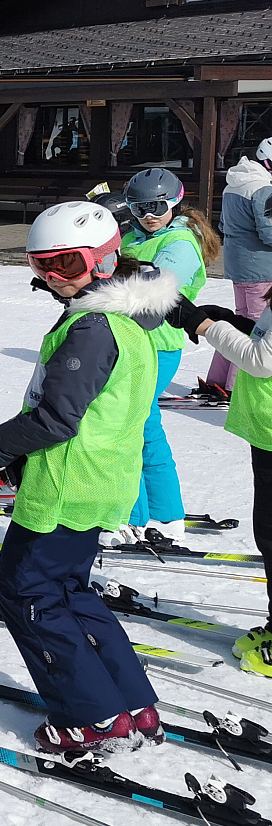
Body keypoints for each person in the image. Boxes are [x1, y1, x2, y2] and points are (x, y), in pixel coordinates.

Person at [0, 201, 172, 751]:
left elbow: (56, 418)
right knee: (68, 589)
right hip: (99, 477)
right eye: (40, 264)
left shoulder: (93, 327)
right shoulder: (126, 320)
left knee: (26, 592)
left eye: (65, 263)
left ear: (105, 259)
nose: (52, 276)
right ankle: (131, 703)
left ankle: (91, 716)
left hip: (66, 484)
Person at [170, 287, 272, 675]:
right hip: (266, 433)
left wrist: (206, 326)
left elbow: (261, 361)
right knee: (268, 534)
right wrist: (235, 321)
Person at [119, 167, 219, 538]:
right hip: (130, 341)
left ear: (174, 203)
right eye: (140, 208)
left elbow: (154, 289)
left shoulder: (180, 243)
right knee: (143, 426)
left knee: (128, 427)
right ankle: (163, 513)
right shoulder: (134, 235)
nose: (149, 215)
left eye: (157, 207)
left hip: (157, 345)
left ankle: (135, 515)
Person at [206, 139, 272, 400]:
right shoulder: (263, 188)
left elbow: (223, 224)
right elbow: (268, 230)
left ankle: (218, 379)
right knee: (255, 326)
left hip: (238, 263)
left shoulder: (234, 182)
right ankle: (234, 385)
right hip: (260, 266)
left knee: (239, 320)